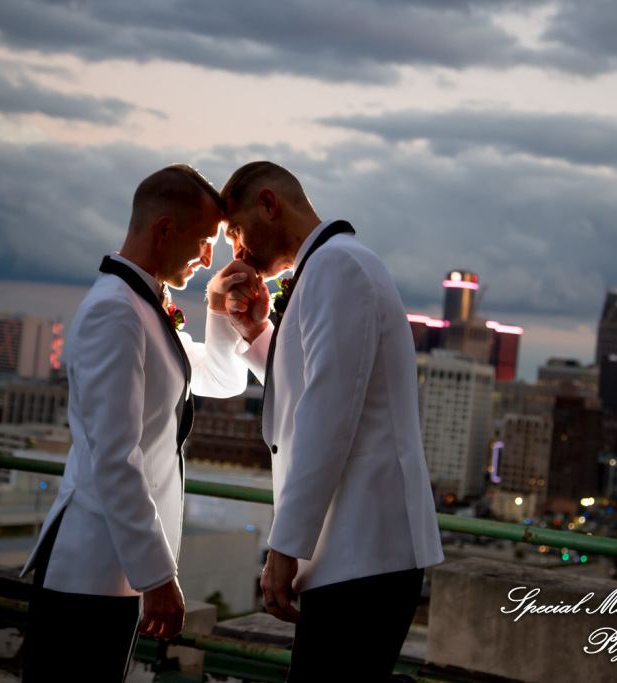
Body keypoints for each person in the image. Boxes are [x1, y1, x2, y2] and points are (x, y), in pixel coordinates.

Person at [20, 164, 253, 682]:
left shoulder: (144, 306)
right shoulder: (116, 312)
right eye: (201, 241)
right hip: (91, 569)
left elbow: (221, 378)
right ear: (163, 229)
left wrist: (218, 309)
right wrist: (157, 575)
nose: (206, 257)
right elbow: (114, 456)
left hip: (114, 569)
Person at [215, 161, 444, 682]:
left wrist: (285, 545)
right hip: (355, 549)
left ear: (269, 204)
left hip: (365, 549)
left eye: (235, 232)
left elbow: (328, 414)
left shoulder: (339, 266)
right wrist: (256, 334)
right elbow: (318, 383)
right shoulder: (330, 266)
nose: (237, 251)